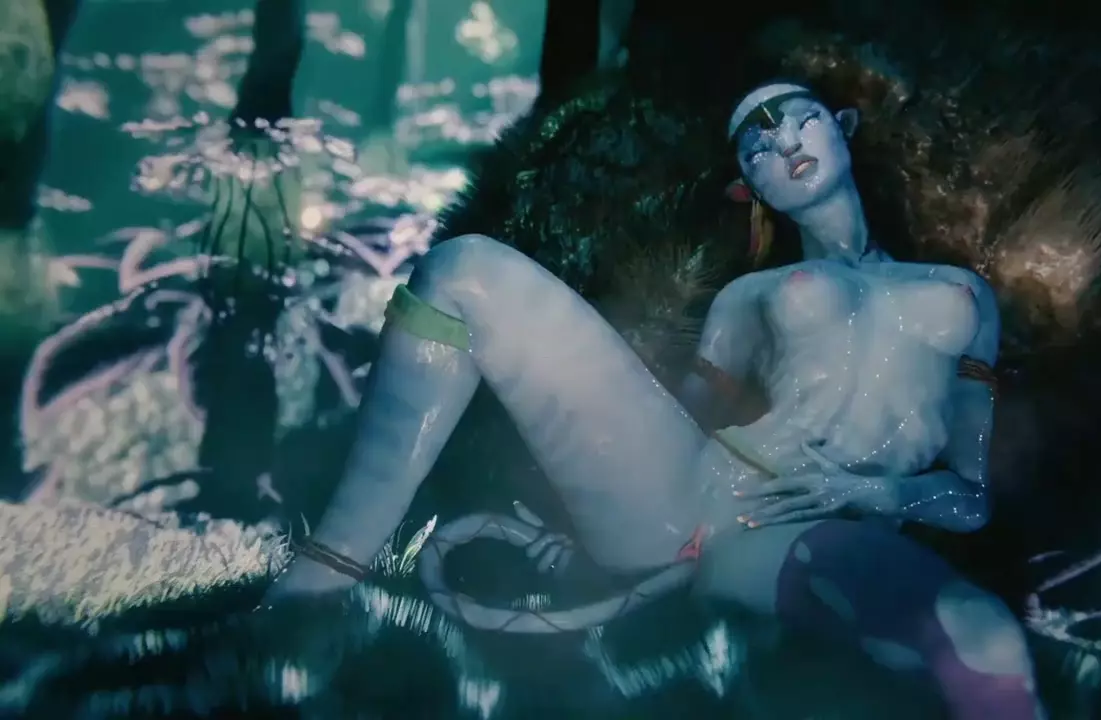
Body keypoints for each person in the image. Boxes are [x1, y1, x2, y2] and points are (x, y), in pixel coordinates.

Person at [266, 81, 1045, 719]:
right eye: (757, 147)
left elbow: (968, 497)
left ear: (843, 127)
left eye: (799, 121)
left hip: (797, 530)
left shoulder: (961, 295)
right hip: (688, 497)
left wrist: (870, 492)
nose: (782, 145)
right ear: (751, 187)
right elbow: (677, 423)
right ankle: (317, 586)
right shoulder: (748, 298)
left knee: (983, 637)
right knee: (463, 268)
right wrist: (579, 522)